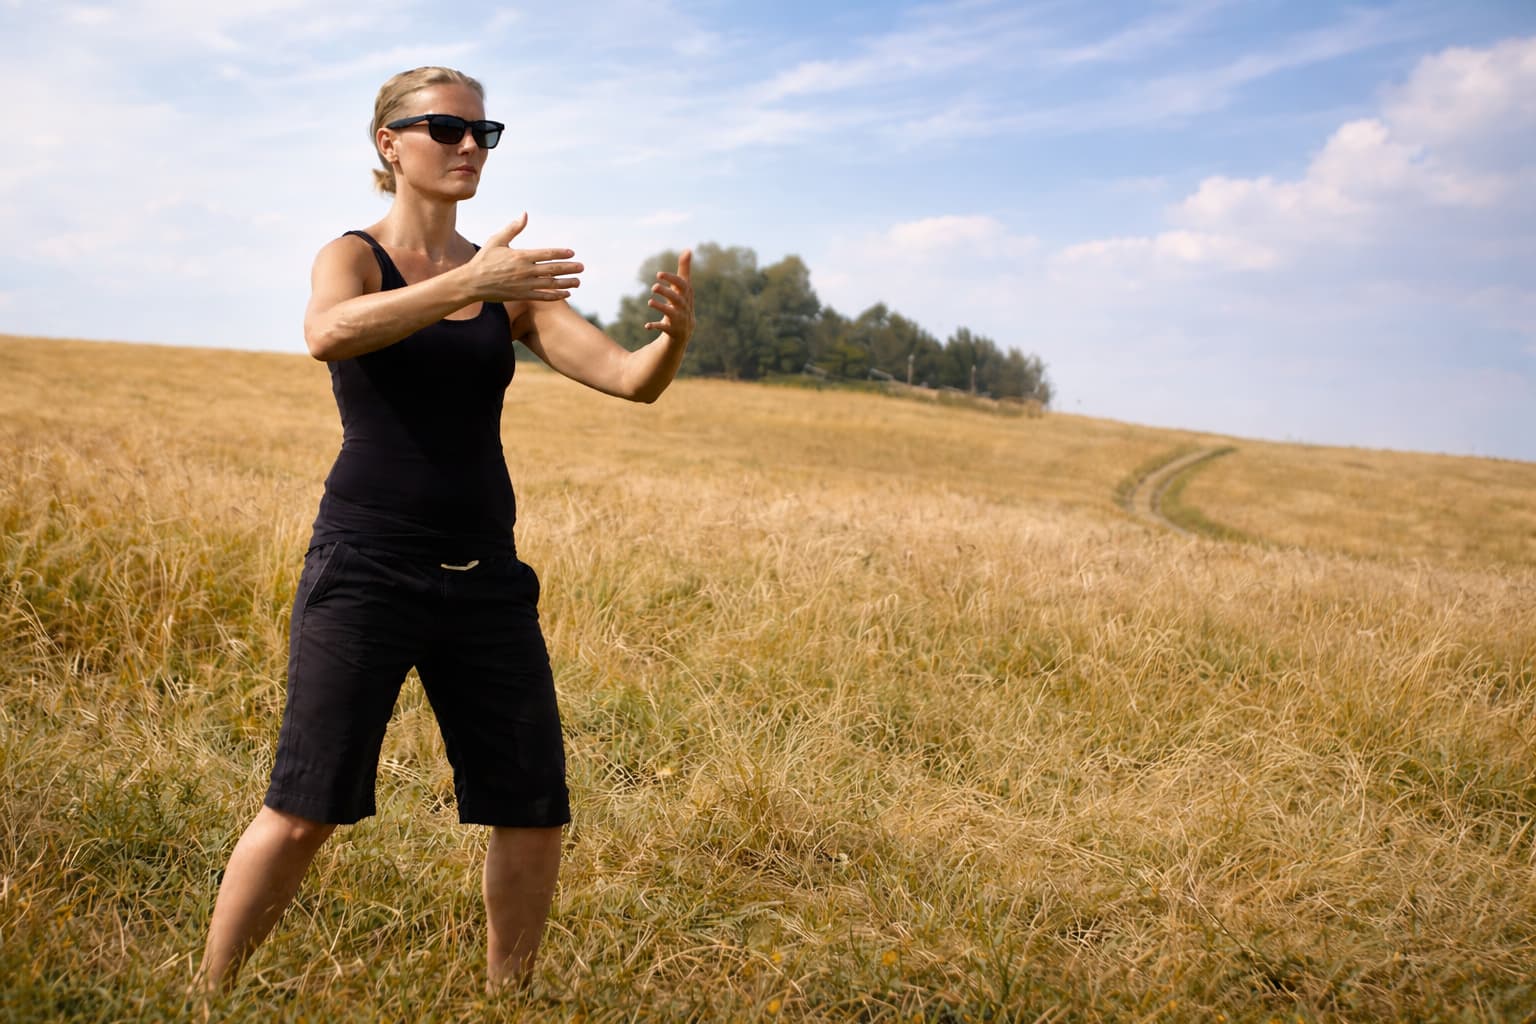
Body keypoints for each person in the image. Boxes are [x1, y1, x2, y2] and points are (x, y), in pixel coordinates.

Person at [195, 65, 694, 992]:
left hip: (486, 576)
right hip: (367, 564)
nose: (471, 147)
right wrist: (471, 280)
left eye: (484, 133)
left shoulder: (507, 282)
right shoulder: (353, 254)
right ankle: (207, 996)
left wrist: (672, 340)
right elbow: (330, 332)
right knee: (306, 807)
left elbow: (628, 379)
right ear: (389, 145)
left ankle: (512, 997)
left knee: (532, 805)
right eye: (447, 130)